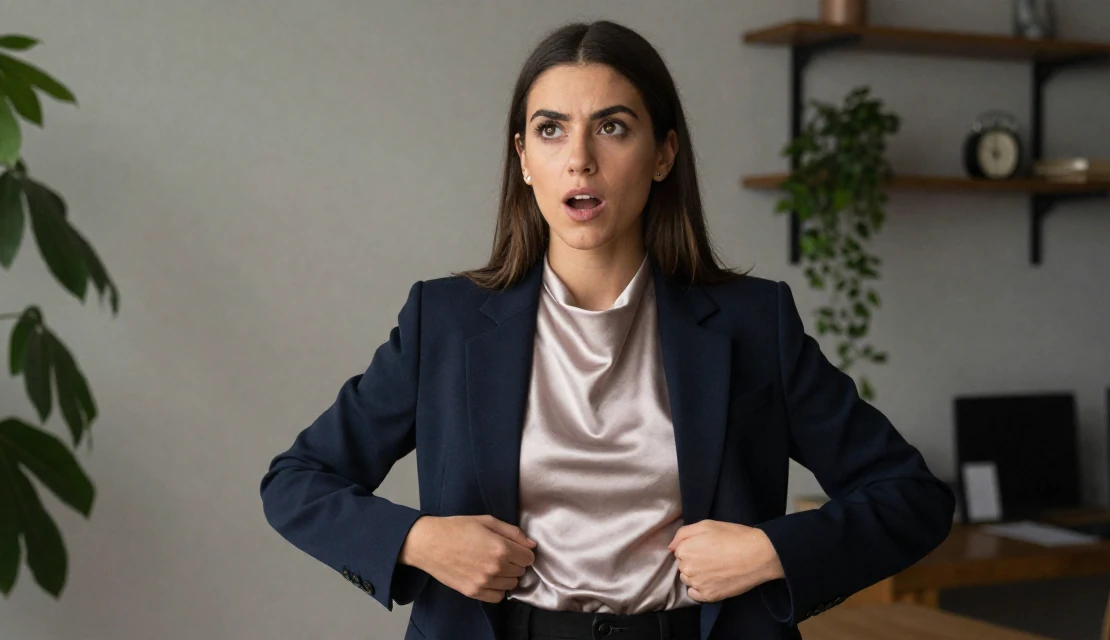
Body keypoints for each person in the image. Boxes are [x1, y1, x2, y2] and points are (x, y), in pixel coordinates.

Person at [259, 19, 955, 640]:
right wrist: (418, 539)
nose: (580, 156)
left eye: (614, 126)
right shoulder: (442, 321)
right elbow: (296, 481)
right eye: (551, 128)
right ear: (524, 159)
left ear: (663, 154)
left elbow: (912, 498)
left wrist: (771, 552)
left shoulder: (752, 323)